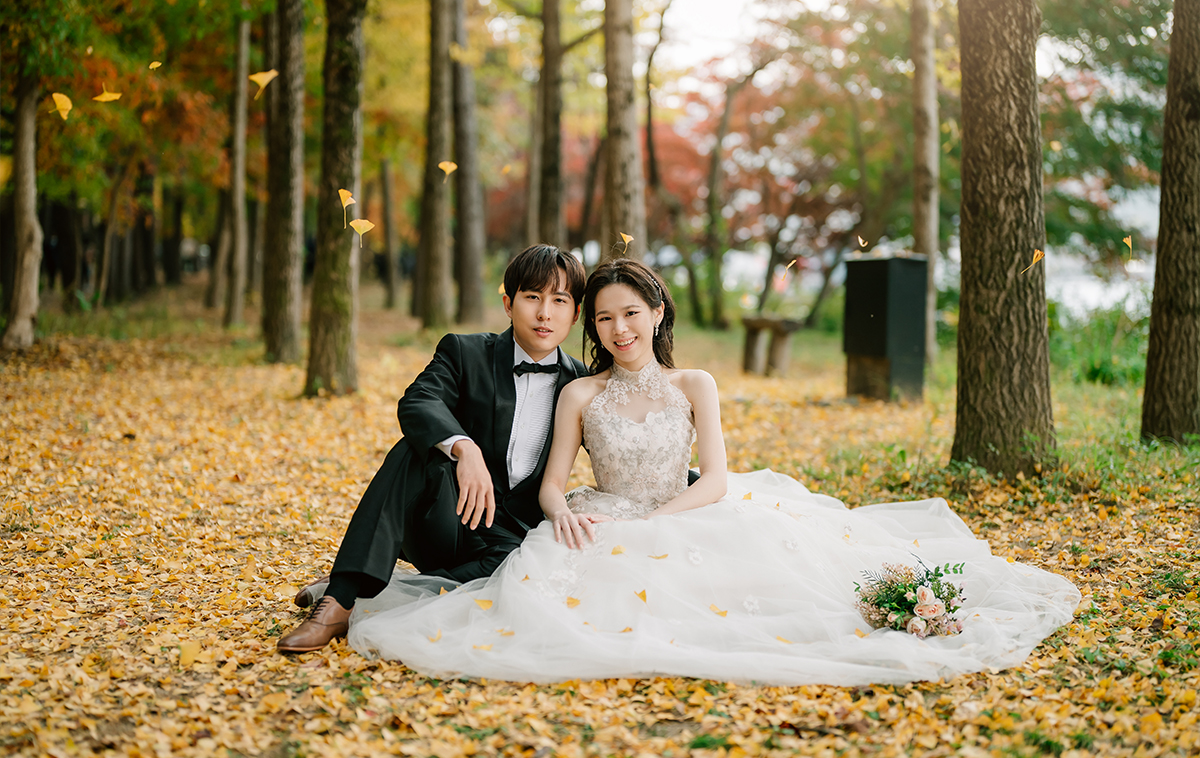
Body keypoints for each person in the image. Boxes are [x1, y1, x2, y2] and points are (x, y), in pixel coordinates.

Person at [345, 259, 1080, 686]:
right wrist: (563, 510)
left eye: (629, 314)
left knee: (765, 592)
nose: (618, 330)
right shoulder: (579, 389)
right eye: (603, 319)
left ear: (657, 313)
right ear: (587, 327)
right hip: (599, 507)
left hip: (686, 507)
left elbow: (719, 478)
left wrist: (662, 519)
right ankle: (350, 590)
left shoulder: (695, 384)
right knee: (566, 581)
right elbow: (550, 480)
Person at [277, 244, 595, 652]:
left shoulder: (583, 385)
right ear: (508, 303)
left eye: (559, 300)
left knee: (518, 575)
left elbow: (622, 448)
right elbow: (418, 402)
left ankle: (391, 585)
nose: (544, 313)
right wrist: (465, 448)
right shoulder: (465, 352)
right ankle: (338, 601)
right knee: (414, 450)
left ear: (576, 313)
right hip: (446, 517)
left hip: (509, 542)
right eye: (532, 297)